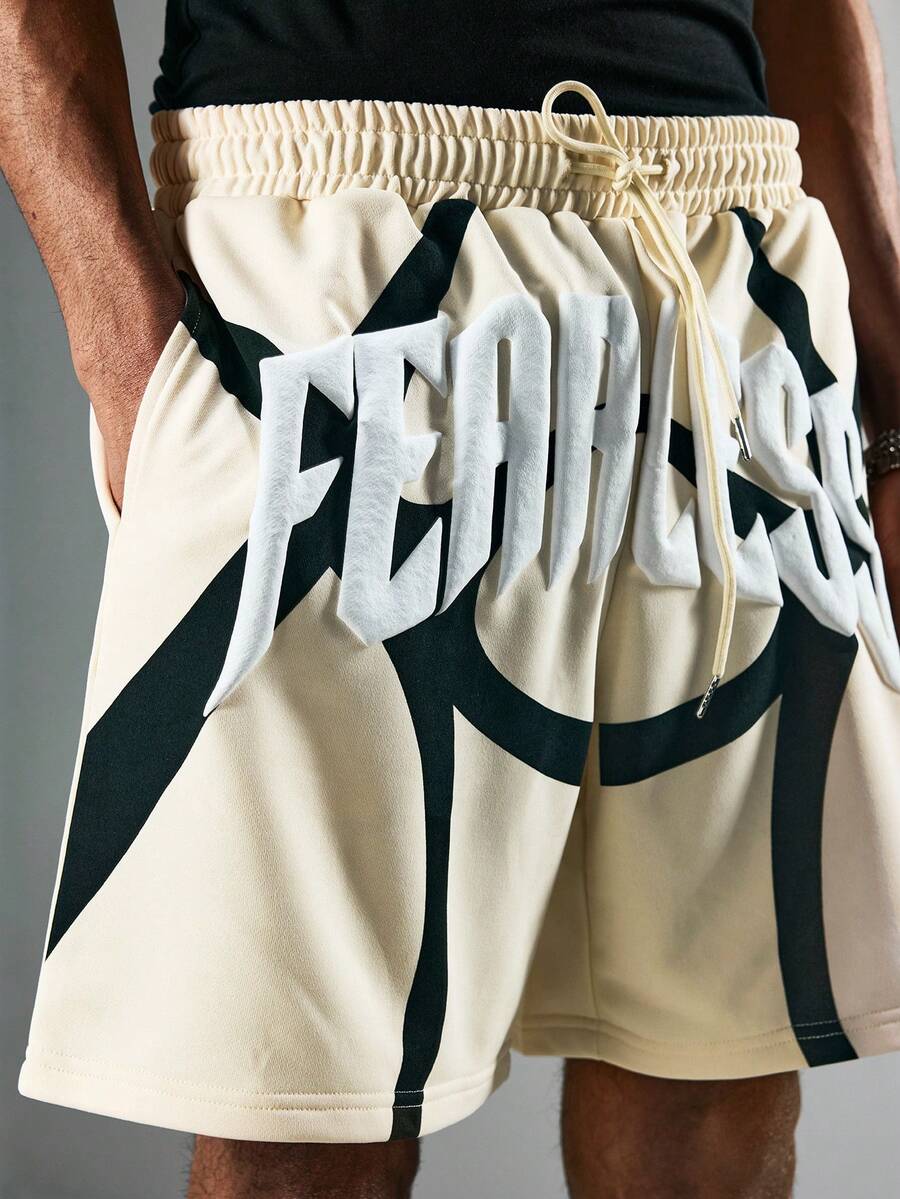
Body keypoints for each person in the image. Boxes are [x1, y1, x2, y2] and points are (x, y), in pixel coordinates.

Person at [3, 0, 899, 1195]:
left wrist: (891, 396)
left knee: (712, 1093)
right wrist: (123, 352)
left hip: (730, 275)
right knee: (304, 1112)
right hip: (336, 251)